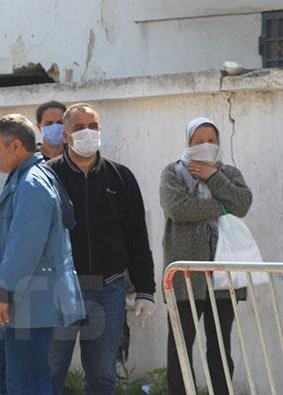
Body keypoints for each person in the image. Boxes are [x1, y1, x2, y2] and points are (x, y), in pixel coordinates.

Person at [49, 103, 156, 395]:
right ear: (66, 136)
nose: (87, 132)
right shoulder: (47, 177)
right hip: (58, 290)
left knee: (102, 378)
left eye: (93, 126)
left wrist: (146, 289)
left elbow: (137, 236)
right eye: (79, 127)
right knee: (49, 373)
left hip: (108, 291)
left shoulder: (121, 177)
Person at [0, 114, 84, 395]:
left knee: (27, 382)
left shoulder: (31, 184)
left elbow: (25, 244)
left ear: (16, 146)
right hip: (22, 301)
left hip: (29, 300)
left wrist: (2, 292)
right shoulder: (24, 178)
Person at [160, 117, 252, 395]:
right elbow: (178, 209)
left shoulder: (229, 173)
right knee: (180, 348)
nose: (205, 146)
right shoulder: (173, 173)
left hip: (224, 276)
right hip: (185, 277)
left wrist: (213, 177)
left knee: (221, 349)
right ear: (188, 143)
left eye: (211, 140)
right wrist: (223, 207)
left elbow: (243, 203)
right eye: (198, 141)